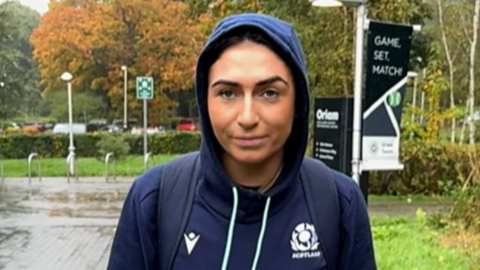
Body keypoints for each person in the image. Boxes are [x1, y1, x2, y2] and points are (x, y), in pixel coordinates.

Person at [107, 13, 376, 270]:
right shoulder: (153, 200)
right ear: (205, 101)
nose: (247, 117)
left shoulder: (340, 203)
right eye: (227, 93)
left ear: (298, 102)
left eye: (269, 93)